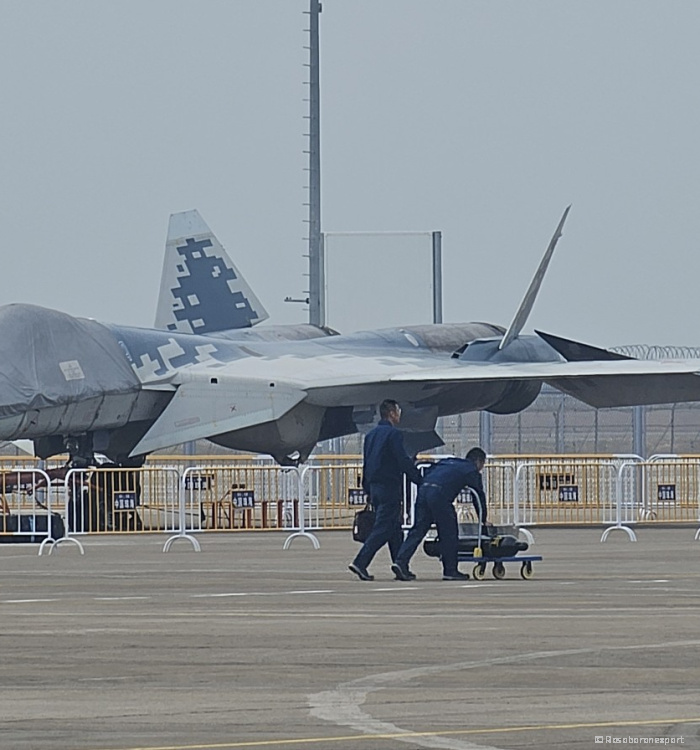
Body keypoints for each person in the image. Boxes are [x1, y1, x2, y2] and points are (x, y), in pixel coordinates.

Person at [348, 399, 423, 581]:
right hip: (389, 487)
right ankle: (360, 562)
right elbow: (401, 460)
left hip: (374, 488)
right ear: (391, 413)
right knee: (382, 528)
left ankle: (400, 565)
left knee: (394, 528)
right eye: (397, 411)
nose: (399, 415)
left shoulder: (371, 435)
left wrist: (367, 489)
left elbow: (367, 463)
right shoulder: (393, 435)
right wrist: (419, 479)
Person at [391, 447, 488, 582]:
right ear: (478, 461)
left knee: (417, 530)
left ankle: (400, 562)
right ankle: (450, 570)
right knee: (449, 532)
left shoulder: (448, 462)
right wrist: (483, 519)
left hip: (424, 491)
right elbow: (478, 495)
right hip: (439, 495)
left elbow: (430, 470)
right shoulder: (471, 470)